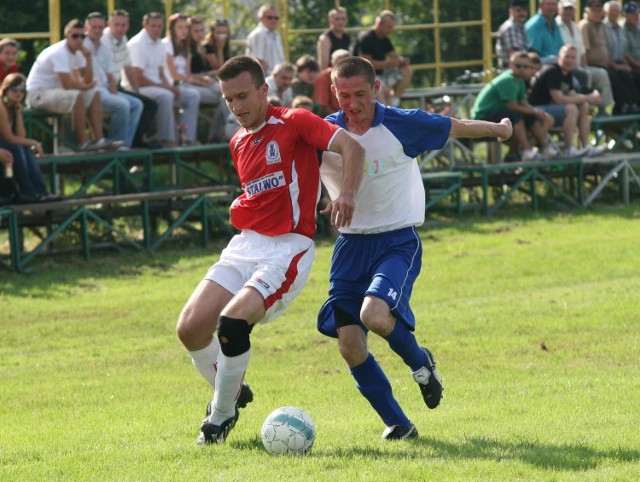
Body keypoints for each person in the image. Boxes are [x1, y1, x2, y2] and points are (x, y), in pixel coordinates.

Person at [317, 56, 512, 440]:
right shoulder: (324, 131)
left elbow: (456, 126)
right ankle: (399, 424)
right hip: (349, 246)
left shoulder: (402, 123)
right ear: (334, 92)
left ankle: (420, 364)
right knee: (349, 345)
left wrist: (500, 130)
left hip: (395, 241)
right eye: (343, 95)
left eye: (360, 94)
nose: (352, 103)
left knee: (374, 314)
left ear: (376, 89)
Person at [175, 55, 366, 445]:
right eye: (229, 100)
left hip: (286, 247)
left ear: (264, 90)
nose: (237, 107)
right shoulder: (238, 141)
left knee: (231, 324)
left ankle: (221, 415)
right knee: (190, 328)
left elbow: (351, 147)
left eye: (243, 96)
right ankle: (233, 389)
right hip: (245, 243)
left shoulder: (294, 121)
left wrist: (344, 195)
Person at [25, 18, 111, 151]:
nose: (79, 39)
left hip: (54, 92)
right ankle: (84, 143)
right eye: (75, 36)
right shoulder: (59, 52)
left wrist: (88, 58)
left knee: (94, 94)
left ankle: (100, 140)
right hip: (38, 94)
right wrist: (84, 86)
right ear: (66, 36)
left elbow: (87, 80)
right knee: (76, 95)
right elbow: (68, 85)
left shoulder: (79, 52)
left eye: (82, 36)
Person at [473, 51, 557, 161]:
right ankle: (526, 150)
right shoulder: (508, 80)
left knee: (529, 116)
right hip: (483, 116)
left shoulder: (519, 80)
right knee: (516, 116)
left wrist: (537, 113)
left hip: (500, 113)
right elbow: (513, 107)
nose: (522, 69)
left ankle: (544, 148)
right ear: (511, 65)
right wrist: (535, 112)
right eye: (518, 65)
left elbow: (524, 103)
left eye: (525, 66)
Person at [124, 12, 187, 146]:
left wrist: (169, 86)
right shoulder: (137, 44)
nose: (157, 29)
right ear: (144, 25)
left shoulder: (158, 42)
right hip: (136, 88)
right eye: (153, 26)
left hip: (154, 87)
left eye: (159, 26)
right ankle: (167, 140)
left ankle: (188, 139)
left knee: (190, 96)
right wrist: (167, 87)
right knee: (166, 96)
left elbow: (160, 72)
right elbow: (138, 78)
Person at [529, 44, 604, 156]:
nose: (569, 60)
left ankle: (586, 147)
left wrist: (592, 98)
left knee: (585, 106)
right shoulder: (552, 71)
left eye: (572, 58)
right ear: (559, 57)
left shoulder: (567, 73)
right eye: (566, 57)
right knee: (571, 109)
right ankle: (570, 149)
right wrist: (589, 97)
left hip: (552, 110)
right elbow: (559, 99)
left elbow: (572, 95)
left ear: (576, 60)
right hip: (536, 109)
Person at [102, 9, 159, 149]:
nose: (120, 28)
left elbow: (128, 68)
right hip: (103, 88)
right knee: (127, 105)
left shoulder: (122, 40)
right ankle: (117, 144)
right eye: (116, 24)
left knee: (147, 104)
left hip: (114, 86)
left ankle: (130, 142)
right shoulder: (103, 41)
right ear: (109, 24)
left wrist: (138, 92)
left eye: (123, 25)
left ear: (128, 25)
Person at [84, 12, 142, 149]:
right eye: (94, 27)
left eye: (100, 27)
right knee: (122, 105)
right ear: (87, 27)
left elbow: (110, 75)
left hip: (105, 89)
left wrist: (115, 93)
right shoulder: (82, 45)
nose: (97, 31)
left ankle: (125, 145)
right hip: (91, 90)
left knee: (137, 104)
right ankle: (115, 145)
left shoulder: (104, 48)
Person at [0, 73, 58, 202]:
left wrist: (18, 114)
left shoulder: (13, 107)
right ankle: (28, 192)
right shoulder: (1, 106)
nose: (19, 93)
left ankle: (41, 191)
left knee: (25, 150)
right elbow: (9, 138)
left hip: (8, 146)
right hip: (4, 146)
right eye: (14, 89)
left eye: (22, 90)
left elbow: (20, 136)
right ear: (5, 89)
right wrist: (35, 143)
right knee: (19, 149)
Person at [580, 0, 640, 113]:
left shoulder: (607, 27)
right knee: (614, 75)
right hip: (600, 64)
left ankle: (633, 104)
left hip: (612, 63)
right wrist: (615, 66)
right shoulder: (588, 26)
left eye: (599, 11)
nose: (597, 13)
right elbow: (586, 50)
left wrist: (624, 65)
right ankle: (622, 107)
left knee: (629, 75)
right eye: (594, 11)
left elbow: (614, 51)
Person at [556, 0, 613, 115]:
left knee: (602, 74)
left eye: (571, 9)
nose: (568, 11)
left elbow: (582, 50)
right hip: (565, 67)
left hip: (579, 65)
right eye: (565, 8)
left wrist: (584, 65)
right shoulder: (556, 26)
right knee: (586, 74)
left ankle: (603, 108)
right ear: (559, 9)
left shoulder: (575, 26)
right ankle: (588, 110)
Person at [353, 10, 411, 107]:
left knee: (407, 70)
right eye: (388, 27)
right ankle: (388, 112)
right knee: (383, 90)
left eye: (392, 27)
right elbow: (365, 65)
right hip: (366, 76)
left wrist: (402, 61)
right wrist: (388, 64)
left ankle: (394, 103)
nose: (391, 30)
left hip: (381, 75)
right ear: (379, 24)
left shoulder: (385, 39)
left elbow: (394, 56)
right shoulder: (367, 38)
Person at [161, 13, 202, 145]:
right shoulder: (166, 45)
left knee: (216, 89)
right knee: (194, 95)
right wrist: (196, 80)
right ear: (172, 29)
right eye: (180, 27)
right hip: (172, 85)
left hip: (185, 84)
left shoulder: (185, 47)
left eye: (186, 27)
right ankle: (187, 138)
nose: (184, 31)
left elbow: (187, 73)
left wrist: (202, 78)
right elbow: (174, 75)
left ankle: (187, 136)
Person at [189, 16, 231, 142]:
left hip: (207, 80)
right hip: (198, 82)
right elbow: (221, 68)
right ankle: (234, 127)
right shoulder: (206, 47)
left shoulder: (201, 47)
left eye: (224, 32)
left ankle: (214, 136)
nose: (221, 35)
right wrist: (219, 48)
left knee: (224, 99)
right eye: (218, 32)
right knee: (227, 92)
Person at [246, 5, 285, 76]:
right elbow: (258, 62)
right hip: (266, 79)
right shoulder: (258, 34)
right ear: (260, 18)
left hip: (277, 79)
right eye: (269, 17)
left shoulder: (275, 34)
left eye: (276, 18)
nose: (273, 20)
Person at [314, 49, 351, 117]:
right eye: (339, 64)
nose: (342, 67)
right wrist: (342, 118)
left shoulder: (355, 77)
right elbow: (322, 107)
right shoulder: (323, 78)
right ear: (333, 63)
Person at [495, 0, 531, 69]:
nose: (522, 13)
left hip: (521, 67)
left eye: (524, 10)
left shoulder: (521, 27)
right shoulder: (510, 27)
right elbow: (514, 56)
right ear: (510, 12)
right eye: (518, 10)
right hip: (511, 69)